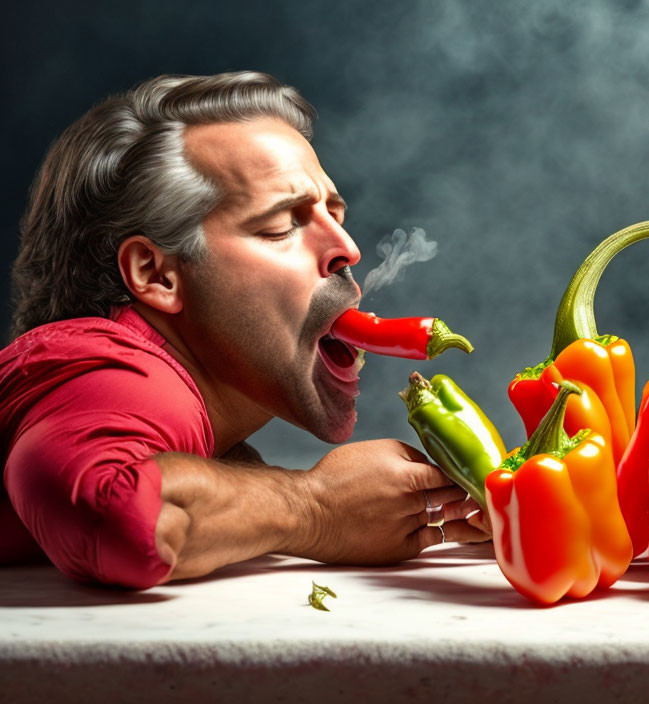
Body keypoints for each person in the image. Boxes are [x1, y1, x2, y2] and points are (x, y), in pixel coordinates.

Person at [0, 71, 489, 589]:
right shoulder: (114, 374)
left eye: (335, 214)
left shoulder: (159, 398)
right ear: (157, 275)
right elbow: (121, 521)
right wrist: (318, 507)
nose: (348, 247)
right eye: (282, 226)